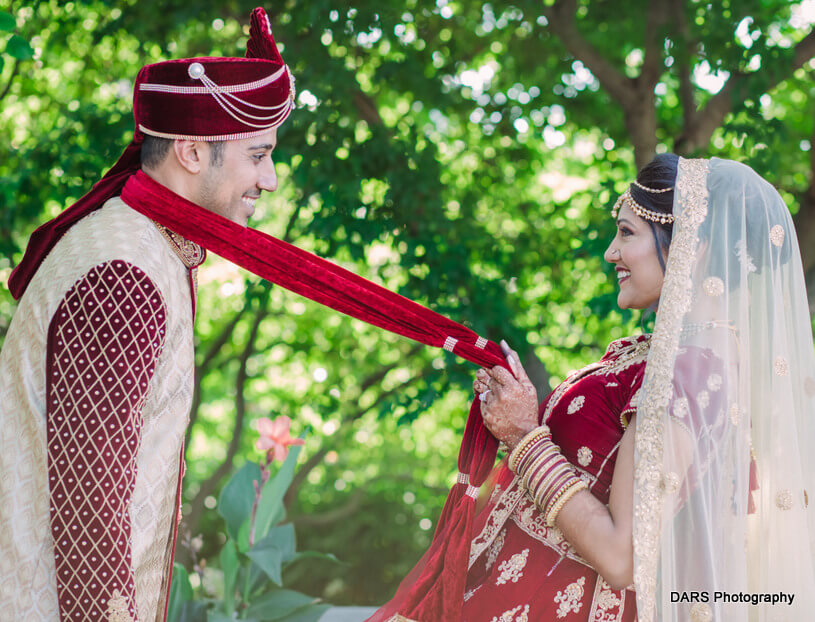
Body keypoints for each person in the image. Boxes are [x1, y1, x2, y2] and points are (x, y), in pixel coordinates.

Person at [373, 154, 815, 621]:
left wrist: (524, 436)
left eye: (627, 233)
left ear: (692, 246)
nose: (610, 252)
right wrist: (518, 413)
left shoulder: (691, 373)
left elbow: (622, 556)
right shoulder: (666, 356)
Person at [0, 8, 294, 620]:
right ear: (191, 151)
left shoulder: (142, 247)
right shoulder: (124, 271)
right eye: (257, 154)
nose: (268, 179)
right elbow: (90, 516)